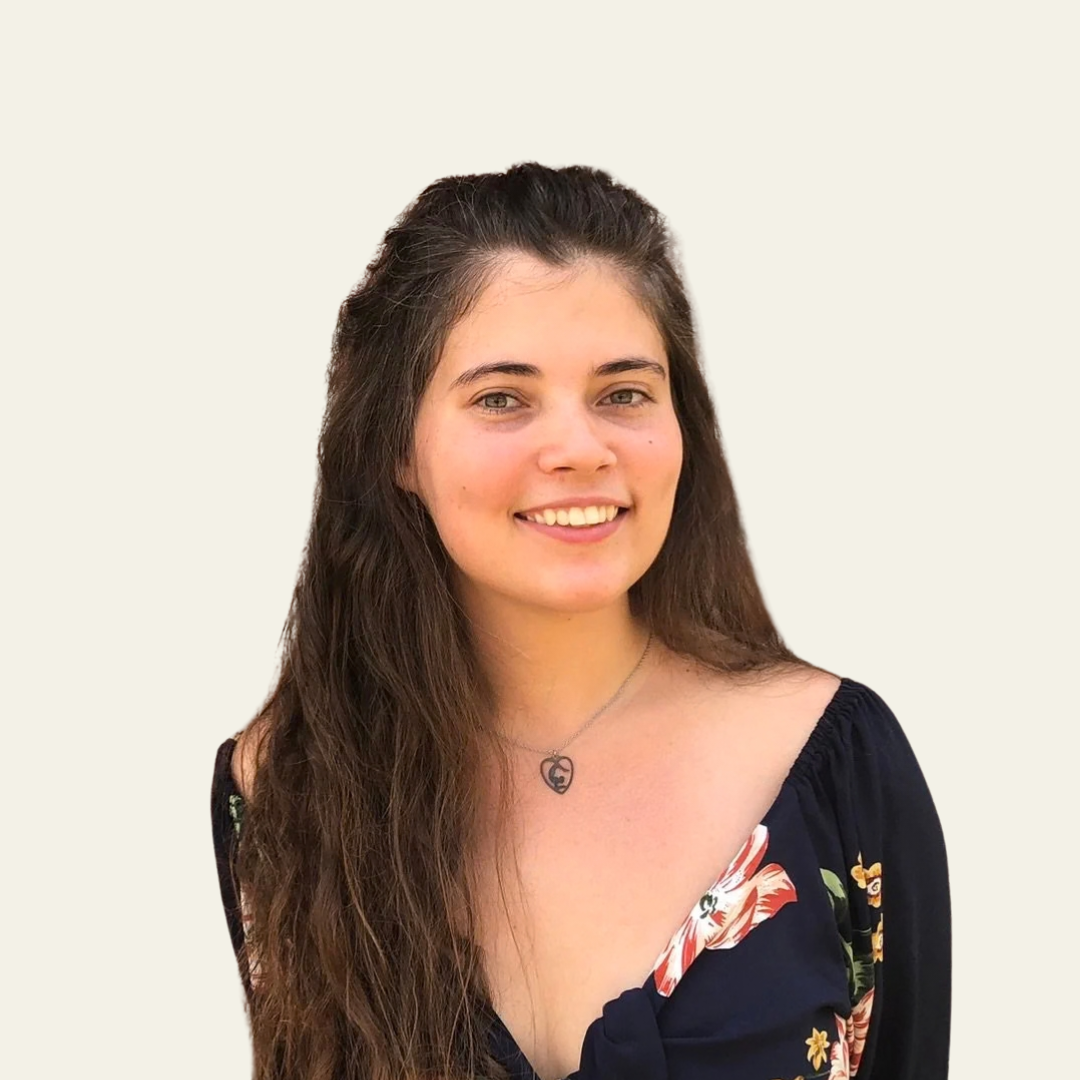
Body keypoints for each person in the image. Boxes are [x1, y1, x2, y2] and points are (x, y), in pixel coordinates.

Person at [210, 163, 950, 1080]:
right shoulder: (284, 785)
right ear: (396, 446)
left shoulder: (835, 762)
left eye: (623, 392)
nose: (579, 447)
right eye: (501, 398)